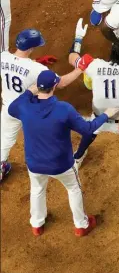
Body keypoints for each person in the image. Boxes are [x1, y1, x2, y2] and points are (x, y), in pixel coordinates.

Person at [8, 70, 118, 235]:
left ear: (38, 87)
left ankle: (37, 224)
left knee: (37, 189)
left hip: (34, 163)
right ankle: (81, 225)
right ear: (55, 86)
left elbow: (11, 108)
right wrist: (106, 115)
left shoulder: (24, 107)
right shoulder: (63, 109)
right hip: (61, 165)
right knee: (74, 188)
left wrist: (31, 91)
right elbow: (88, 129)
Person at [1, 29, 83, 181]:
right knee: (42, 136)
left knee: (4, 142)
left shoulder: (3, 57)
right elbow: (62, 83)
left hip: (9, 109)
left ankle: (1, 166)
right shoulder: (36, 69)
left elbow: (18, 67)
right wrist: (80, 69)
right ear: (32, 47)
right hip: (30, 111)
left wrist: (38, 61)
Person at [68, 19, 119, 168]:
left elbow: (72, 58)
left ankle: (78, 157)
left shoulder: (94, 65)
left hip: (100, 119)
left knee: (90, 130)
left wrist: (78, 38)